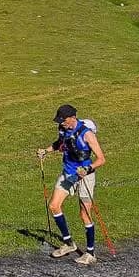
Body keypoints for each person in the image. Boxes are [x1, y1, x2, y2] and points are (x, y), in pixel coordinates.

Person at [37, 103, 106, 264]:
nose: (61, 123)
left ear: (73, 118)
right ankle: (69, 244)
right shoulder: (63, 130)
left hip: (84, 176)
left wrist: (87, 168)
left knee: (84, 214)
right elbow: (60, 144)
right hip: (68, 173)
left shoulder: (87, 134)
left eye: (63, 120)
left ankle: (90, 253)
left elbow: (101, 159)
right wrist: (46, 151)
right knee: (54, 206)